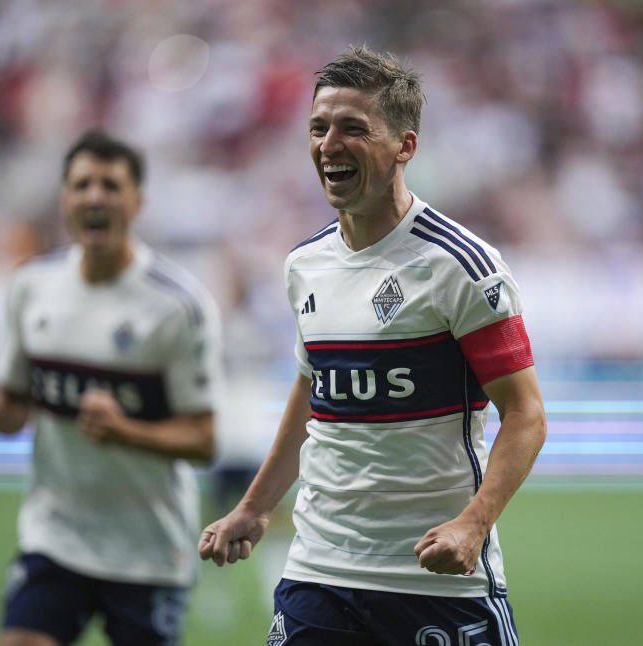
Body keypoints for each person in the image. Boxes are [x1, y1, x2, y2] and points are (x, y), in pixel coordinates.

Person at [198, 45, 547, 645]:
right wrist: (255, 508)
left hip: (433, 575)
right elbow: (314, 396)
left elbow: (527, 414)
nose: (329, 144)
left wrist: (473, 524)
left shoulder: (461, 266)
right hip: (318, 570)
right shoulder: (305, 265)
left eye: (352, 128)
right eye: (319, 127)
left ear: (404, 146)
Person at [0, 130, 222, 646]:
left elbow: (204, 440)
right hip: (56, 536)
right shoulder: (31, 287)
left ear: (137, 202)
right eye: (82, 185)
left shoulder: (177, 306)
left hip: (148, 550)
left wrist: (125, 431)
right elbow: (15, 408)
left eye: (110, 185)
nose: (95, 196)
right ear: (65, 200)